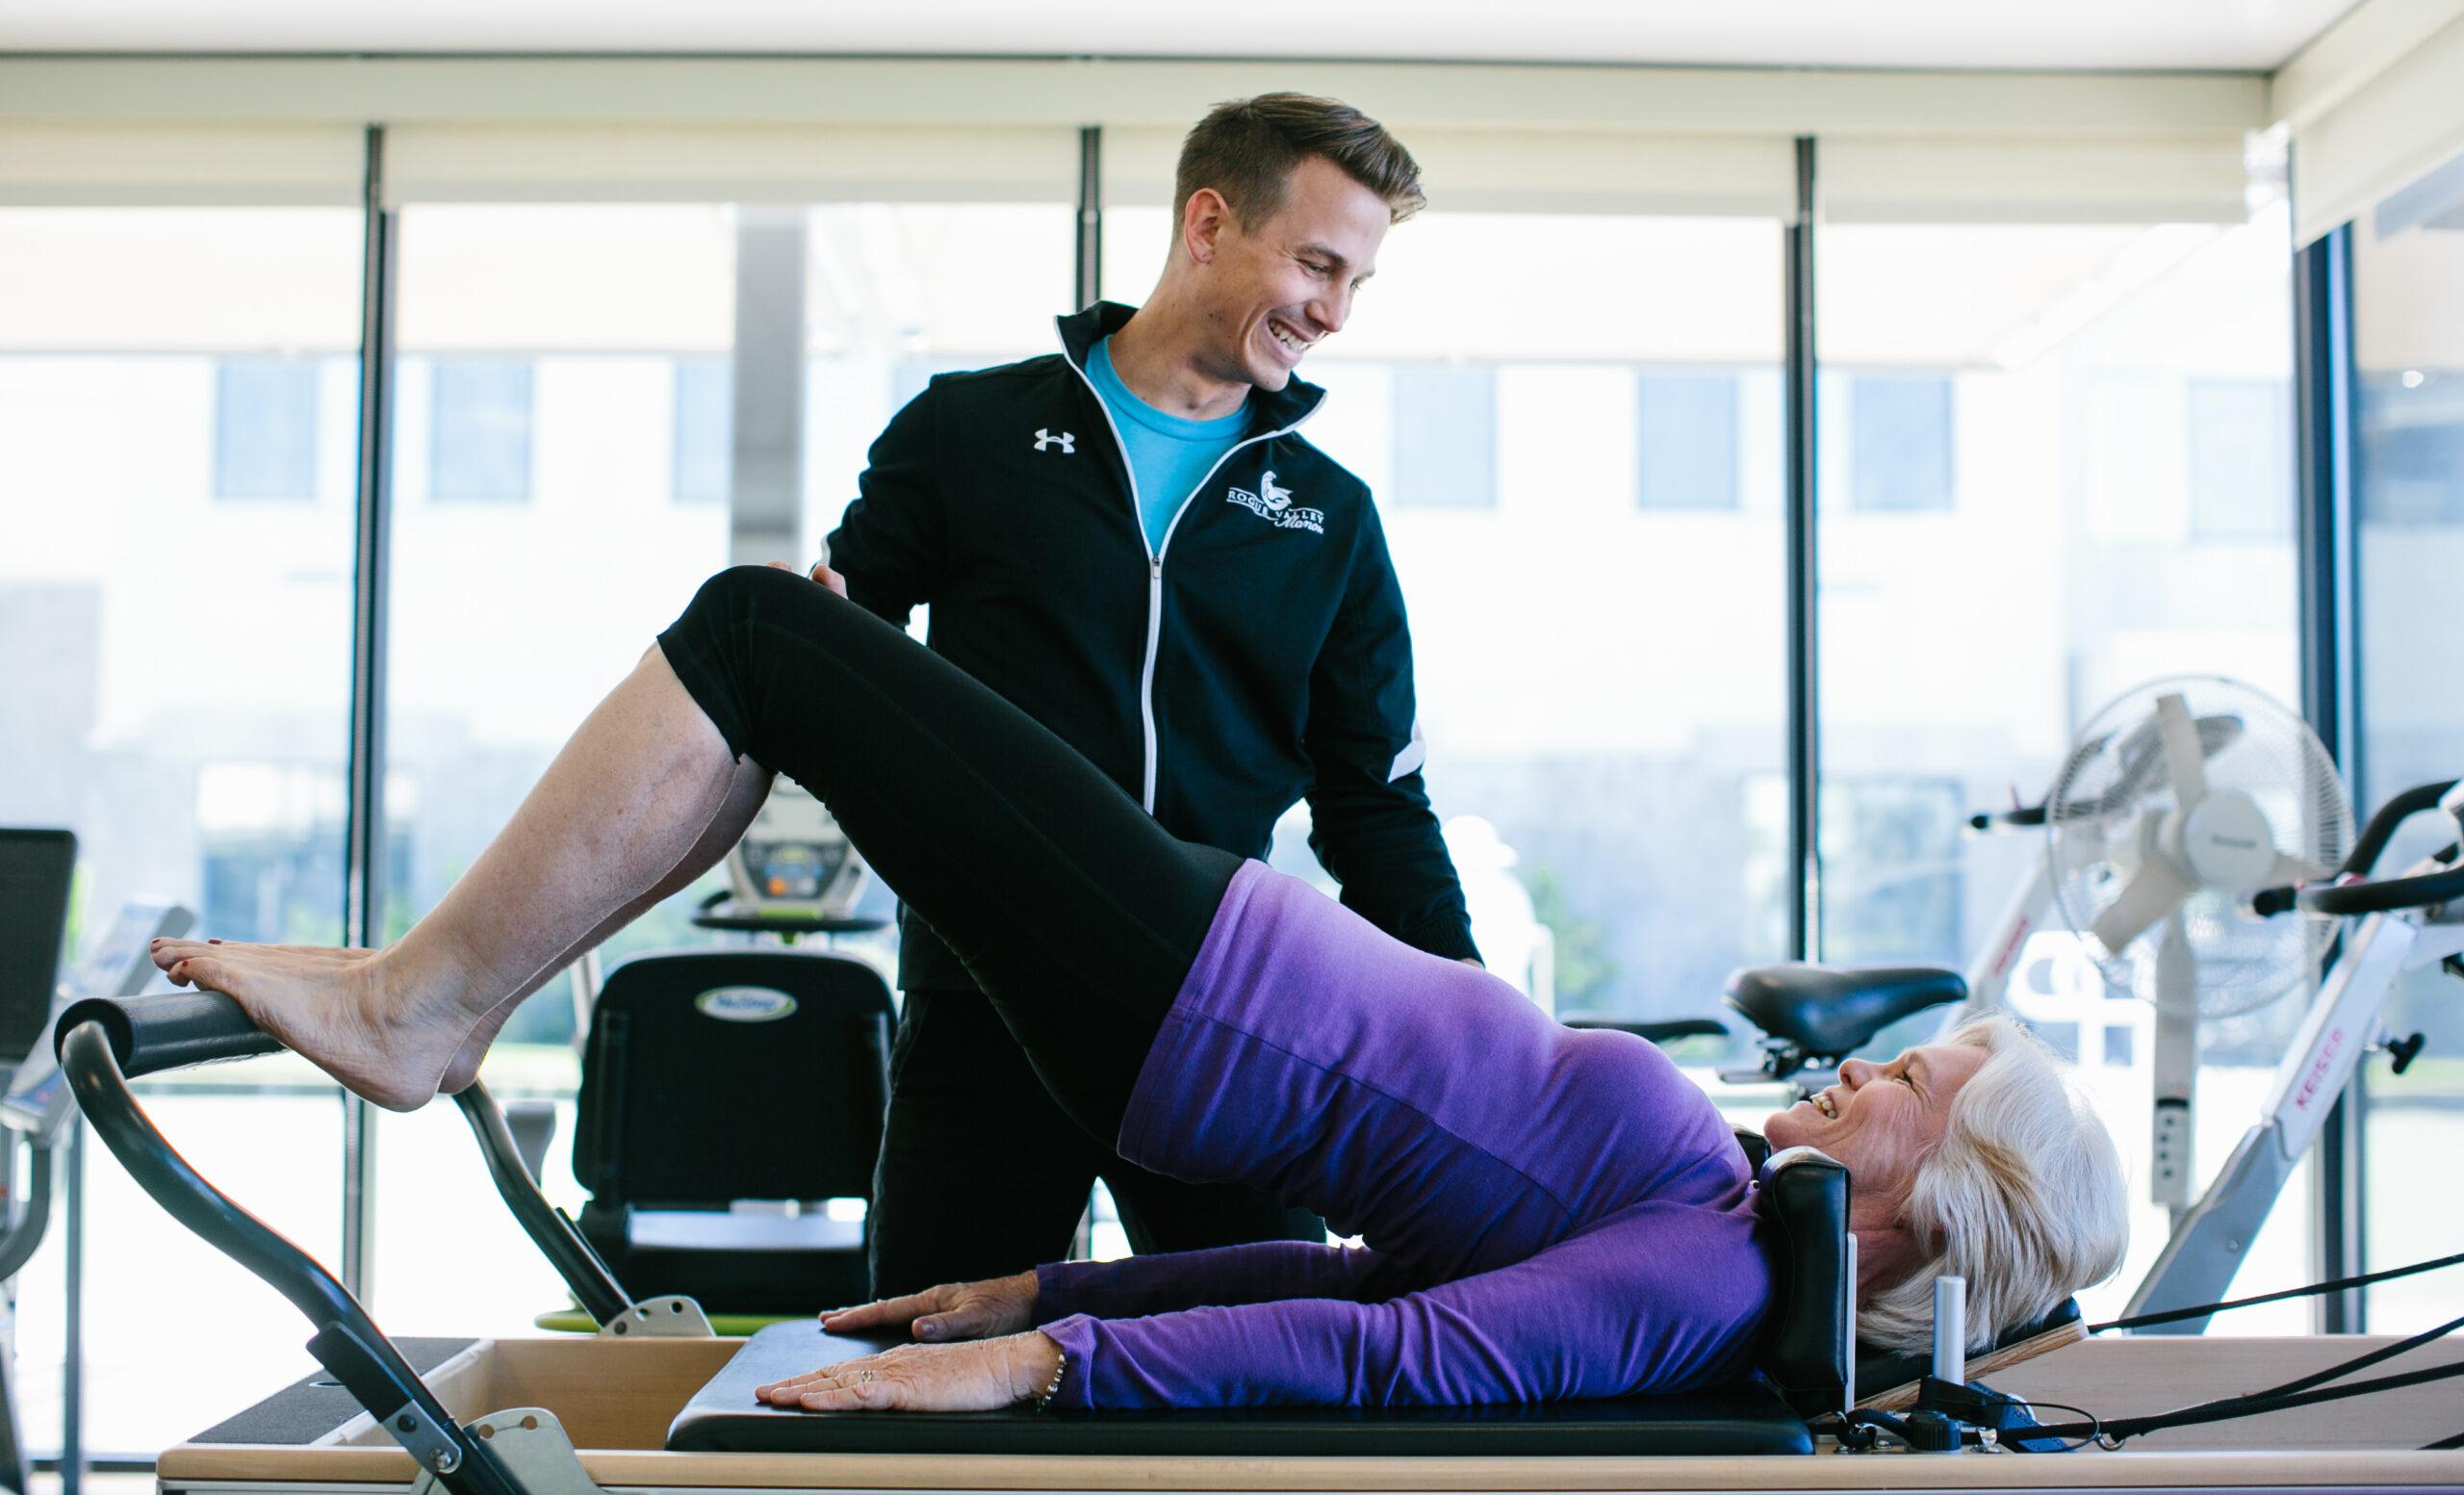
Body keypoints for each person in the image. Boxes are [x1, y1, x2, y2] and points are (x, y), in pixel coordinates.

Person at [152, 565, 2132, 1413]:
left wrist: (1040, 1369)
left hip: (1207, 993)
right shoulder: (1713, 1222)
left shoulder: (1709, 1276)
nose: (1869, 1063)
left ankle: (423, 1009)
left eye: (1912, 1075)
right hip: (1214, 970)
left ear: (1931, 1190)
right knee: (784, 682)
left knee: (768, 642)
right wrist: (1059, 1286)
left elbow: (1401, 1363)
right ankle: (430, 990)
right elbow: (1369, 1283)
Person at [822, 92, 1481, 1297]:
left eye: (1356, 283)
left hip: (1223, 1015)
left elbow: (1375, 806)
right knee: (916, 1385)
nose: (1331, 312)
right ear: (1209, 223)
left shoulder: (1328, 520)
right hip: (986, 1000)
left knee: (1268, 1392)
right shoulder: (967, 433)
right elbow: (844, 674)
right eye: (1316, 263)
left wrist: (1482, 1031)